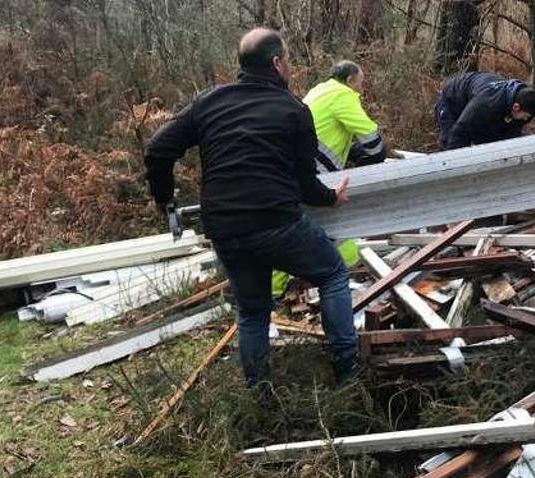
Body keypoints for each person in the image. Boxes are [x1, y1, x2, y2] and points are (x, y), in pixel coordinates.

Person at [143, 28, 358, 386]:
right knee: (332, 274)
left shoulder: (209, 102)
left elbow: (157, 149)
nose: (289, 66)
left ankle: (258, 392)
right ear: (277, 64)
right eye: (287, 60)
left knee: (253, 312)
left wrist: (164, 200)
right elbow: (305, 185)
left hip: (225, 229)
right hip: (277, 223)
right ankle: (346, 371)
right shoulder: (294, 110)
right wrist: (331, 198)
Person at [271, 60, 391, 297]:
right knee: (299, 225)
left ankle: (349, 266)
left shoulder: (320, 90)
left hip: (292, 166)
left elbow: (328, 131)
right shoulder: (343, 95)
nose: (361, 89)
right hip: (312, 170)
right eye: (360, 82)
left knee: (322, 222)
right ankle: (273, 290)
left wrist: (354, 154)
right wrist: (376, 155)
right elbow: (370, 136)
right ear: (349, 81)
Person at [434, 71, 535, 150]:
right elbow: (460, 132)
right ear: (516, 107)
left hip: (479, 104)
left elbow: (509, 138)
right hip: (451, 102)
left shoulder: (522, 100)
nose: (526, 120)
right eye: (526, 115)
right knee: (452, 142)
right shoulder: (486, 104)